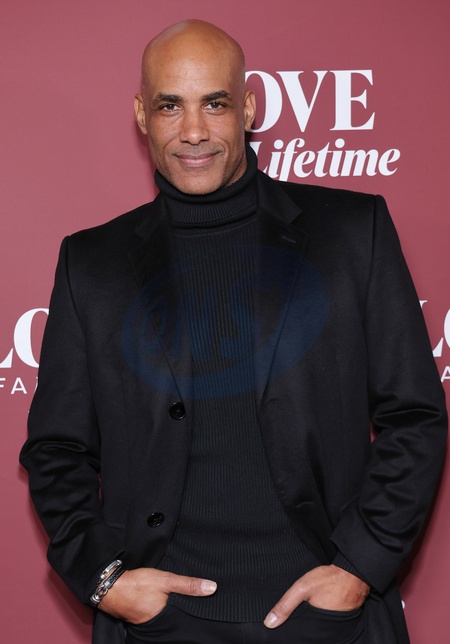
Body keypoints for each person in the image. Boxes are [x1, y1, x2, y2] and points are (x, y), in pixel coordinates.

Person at [20, 19, 447, 644]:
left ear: (247, 108)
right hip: (159, 627)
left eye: (215, 104)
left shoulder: (353, 231)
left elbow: (414, 414)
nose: (193, 131)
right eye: (170, 105)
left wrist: (360, 566)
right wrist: (107, 581)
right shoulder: (91, 262)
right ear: (141, 115)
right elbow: (56, 449)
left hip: (329, 622)